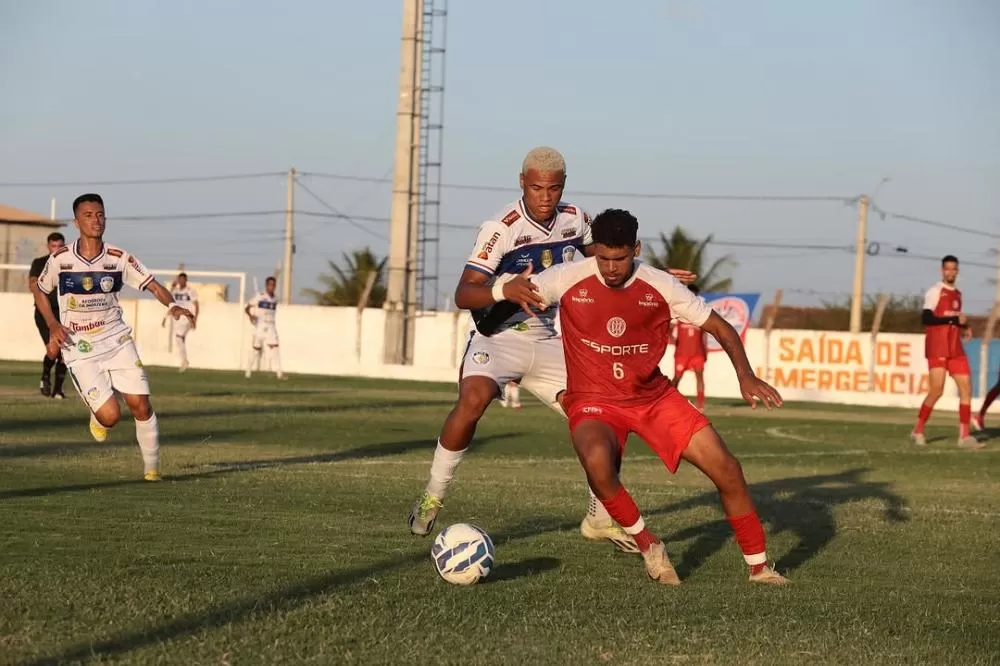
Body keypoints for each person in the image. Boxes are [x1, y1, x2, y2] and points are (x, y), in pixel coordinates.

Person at [407, 147, 696, 554]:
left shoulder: (576, 219)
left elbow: (613, 259)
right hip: (499, 338)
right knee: (472, 400)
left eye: (553, 188)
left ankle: (600, 517)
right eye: (537, 187)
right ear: (522, 182)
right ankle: (433, 495)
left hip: (549, 342)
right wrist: (503, 289)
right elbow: (463, 293)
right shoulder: (501, 227)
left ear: (563, 186)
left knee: (602, 418)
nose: (546, 196)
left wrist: (658, 277)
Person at [499, 208, 787, 585]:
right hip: (593, 399)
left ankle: (760, 568)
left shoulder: (661, 285)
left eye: (620, 259)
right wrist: (497, 292)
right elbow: (510, 294)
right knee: (598, 465)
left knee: (728, 470)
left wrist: (745, 375)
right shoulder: (567, 277)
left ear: (636, 249)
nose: (611, 268)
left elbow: (718, 325)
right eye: (603, 258)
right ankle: (650, 546)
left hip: (652, 397)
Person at [30, 193, 195, 480]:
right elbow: (40, 291)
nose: (96, 220)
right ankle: (99, 415)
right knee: (111, 416)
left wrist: (172, 304)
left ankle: (152, 469)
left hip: (117, 340)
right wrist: (53, 325)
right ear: (76, 221)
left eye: (100, 214)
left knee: (141, 405)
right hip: (78, 345)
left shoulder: (119, 258)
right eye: (89, 215)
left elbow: (153, 285)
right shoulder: (60, 259)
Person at [910, 255, 984, 449]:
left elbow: (954, 318)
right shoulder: (935, 292)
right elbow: (927, 318)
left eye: (954, 269)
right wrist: (952, 321)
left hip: (955, 347)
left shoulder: (958, 294)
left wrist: (964, 326)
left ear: (957, 271)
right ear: (942, 270)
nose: (950, 272)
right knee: (937, 390)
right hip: (938, 346)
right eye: (947, 269)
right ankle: (918, 429)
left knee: (966, 387)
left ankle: (965, 437)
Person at [28, 232, 69, 398]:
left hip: (65, 313)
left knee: (66, 353)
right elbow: (33, 284)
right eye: (54, 246)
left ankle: (58, 390)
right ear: (48, 246)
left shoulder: (69, 263)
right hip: (45, 313)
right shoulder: (39, 263)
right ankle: (45, 376)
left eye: (60, 246)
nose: (56, 249)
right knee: (53, 351)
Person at [670, 284, 709, 411]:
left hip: (697, 352)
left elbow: (704, 334)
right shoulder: (679, 312)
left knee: (700, 377)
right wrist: (672, 339)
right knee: (676, 378)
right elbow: (669, 328)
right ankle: (671, 402)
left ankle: (700, 405)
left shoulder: (700, 313)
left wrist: (705, 351)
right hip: (682, 353)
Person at [245, 276, 284, 379]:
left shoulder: (275, 299)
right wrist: (251, 316)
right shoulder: (259, 296)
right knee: (256, 349)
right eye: (270, 284)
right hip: (261, 325)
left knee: (275, 348)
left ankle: (279, 374)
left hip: (271, 325)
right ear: (266, 285)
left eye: (273, 285)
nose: (272, 287)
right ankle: (248, 371)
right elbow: (247, 308)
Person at [165, 272, 199, 372]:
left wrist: (195, 319)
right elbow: (170, 303)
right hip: (178, 319)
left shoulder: (190, 291)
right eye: (179, 279)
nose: (181, 281)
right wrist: (165, 317)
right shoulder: (175, 291)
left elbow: (196, 305)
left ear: (186, 280)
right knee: (179, 339)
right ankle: (184, 360)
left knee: (179, 337)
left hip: (187, 317)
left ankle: (184, 361)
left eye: (183, 279)